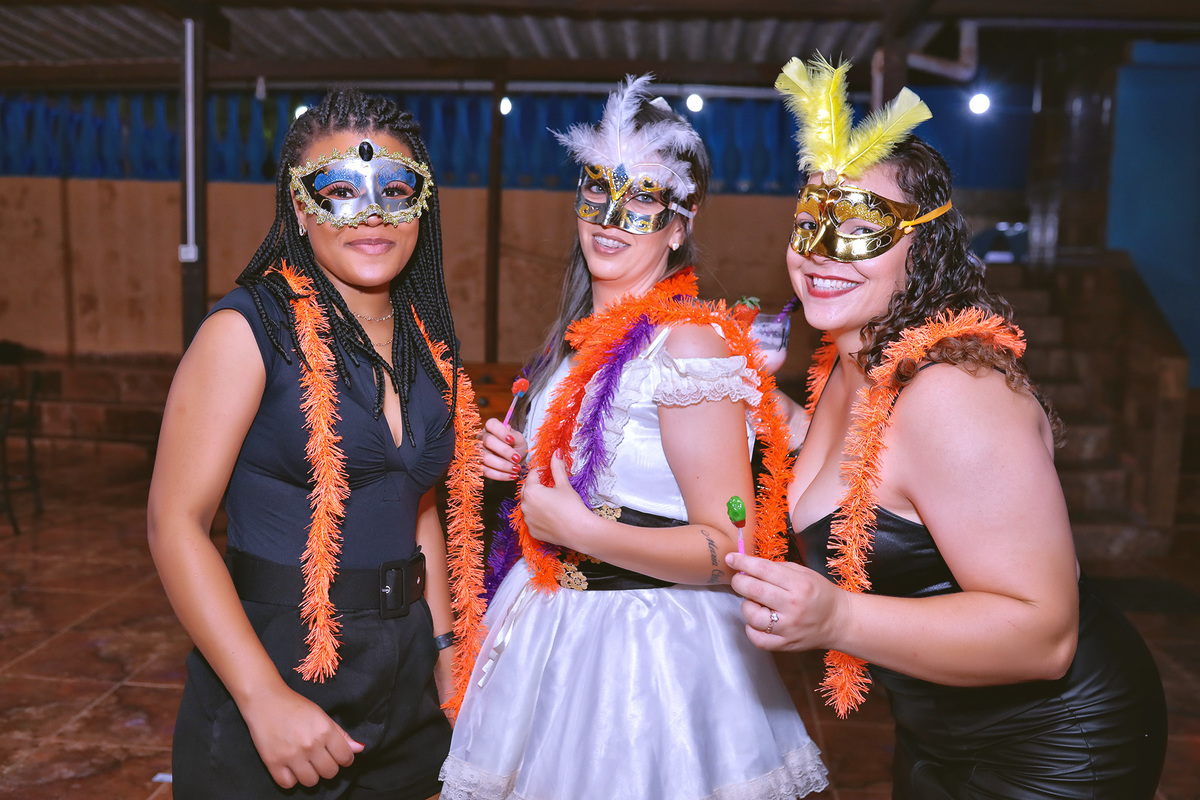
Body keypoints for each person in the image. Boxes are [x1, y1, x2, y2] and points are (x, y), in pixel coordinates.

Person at [726, 56, 1168, 799]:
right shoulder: (849, 361)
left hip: (1060, 744)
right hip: (934, 730)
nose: (821, 252)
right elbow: (871, 476)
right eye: (808, 225)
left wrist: (836, 616)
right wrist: (779, 419)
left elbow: (1045, 636)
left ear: (922, 245)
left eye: (860, 228)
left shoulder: (953, 393)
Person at [438, 75, 829, 800]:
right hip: (547, 629)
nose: (611, 217)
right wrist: (517, 461)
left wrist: (582, 530)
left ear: (679, 225)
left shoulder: (688, 347)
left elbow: (731, 546)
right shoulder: (575, 344)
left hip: (649, 658)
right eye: (599, 189)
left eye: (644, 197)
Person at [148, 88, 483, 800]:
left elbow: (416, 501)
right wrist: (262, 697)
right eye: (339, 190)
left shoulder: (427, 343)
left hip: (403, 673)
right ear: (299, 208)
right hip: (279, 664)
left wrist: (445, 650)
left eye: (396, 189)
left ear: (421, 204)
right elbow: (174, 524)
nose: (372, 213)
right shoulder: (246, 331)